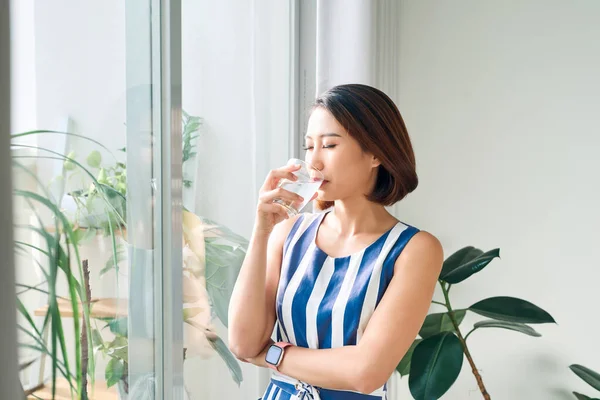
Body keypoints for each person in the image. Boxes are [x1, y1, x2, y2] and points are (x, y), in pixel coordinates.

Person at [228, 84, 443, 400]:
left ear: (375, 153)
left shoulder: (415, 249)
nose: (313, 162)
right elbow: (243, 343)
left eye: (328, 145)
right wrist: (261, 232)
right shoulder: (288, 233)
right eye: (308, 146)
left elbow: (366, 373)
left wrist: (271, 355)